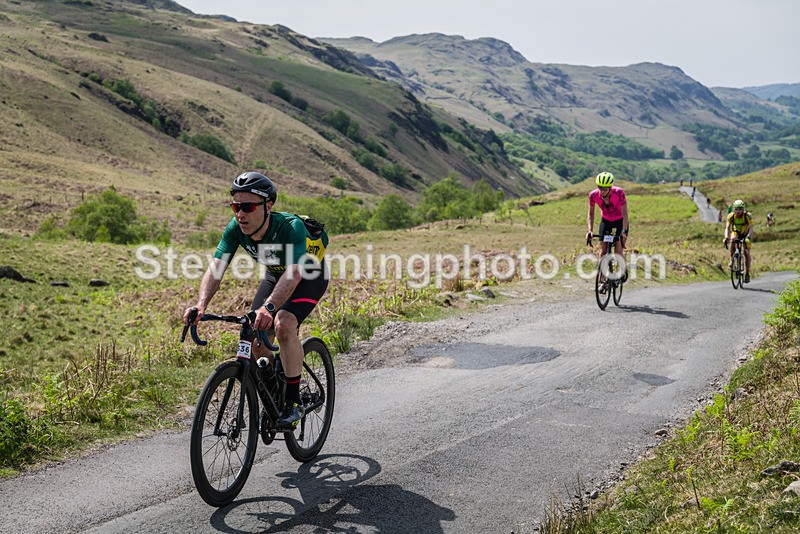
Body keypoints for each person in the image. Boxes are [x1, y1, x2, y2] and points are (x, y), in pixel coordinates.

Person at [183, 171, 329, 429]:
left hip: (309, 275)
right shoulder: (235, 229)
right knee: (254, 336)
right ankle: (275, 394)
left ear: (268, 206)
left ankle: (293, 402)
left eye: (248, 207)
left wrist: (269, 308)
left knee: (283, 324)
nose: (240, 214)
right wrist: (201, 304)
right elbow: (216, 268)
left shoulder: (289, 227)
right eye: (236, 206)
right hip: (276, 275)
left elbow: (294, 274)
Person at [586, 172, 629, 292]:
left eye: (604, 189)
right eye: (599, 188)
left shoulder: (618, 192)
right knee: (602, 253)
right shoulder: (593, 195)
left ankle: (621, 271)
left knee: (618, 250)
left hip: (620, 221)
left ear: (610, 188)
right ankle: (603, 281)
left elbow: (625, 214)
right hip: (606, 221)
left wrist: (624, 232)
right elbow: (591, 214)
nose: (602, 191)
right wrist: (590, 230)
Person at [723, 199, 753, 283]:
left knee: (746, 252)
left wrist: (748, 237)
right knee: (732, 240)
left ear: (743, 209)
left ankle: (747, 273)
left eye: (740, 209)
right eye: (736, 209)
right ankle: (732, 260)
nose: (738, 211)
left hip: (746, 234)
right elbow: (727, 228)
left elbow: (751, 228)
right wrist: (726, 237)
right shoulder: (731, 216)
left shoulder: (747, 216)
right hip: (736, 232)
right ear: (733, 209)